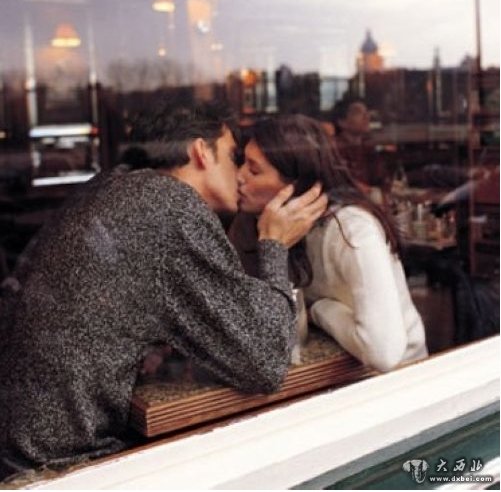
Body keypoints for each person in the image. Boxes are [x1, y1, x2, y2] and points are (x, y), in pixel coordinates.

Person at [0, 100, 327, 480]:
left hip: (21, 451)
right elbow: (265, 364)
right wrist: (274, 243)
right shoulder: (170, 207)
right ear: (201, 151)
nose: (239, 174)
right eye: (233, 156)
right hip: (60, 470)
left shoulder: (111, 186)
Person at [230, 114, 428, 373]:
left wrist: (320, 309)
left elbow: (383, 353)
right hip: (333, 372)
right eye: (241, 163)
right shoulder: (251, 224)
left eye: (254, 170)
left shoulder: (352, 229)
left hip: (400, 380)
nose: (239, 176)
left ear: (294, 185)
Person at [331, 95, 386, 192]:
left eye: (366, 112)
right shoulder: (334, 148)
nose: (366, 117)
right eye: (358, 112)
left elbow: (380, 179)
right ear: (342, 122)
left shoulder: (368, 145)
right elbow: (341, 182)